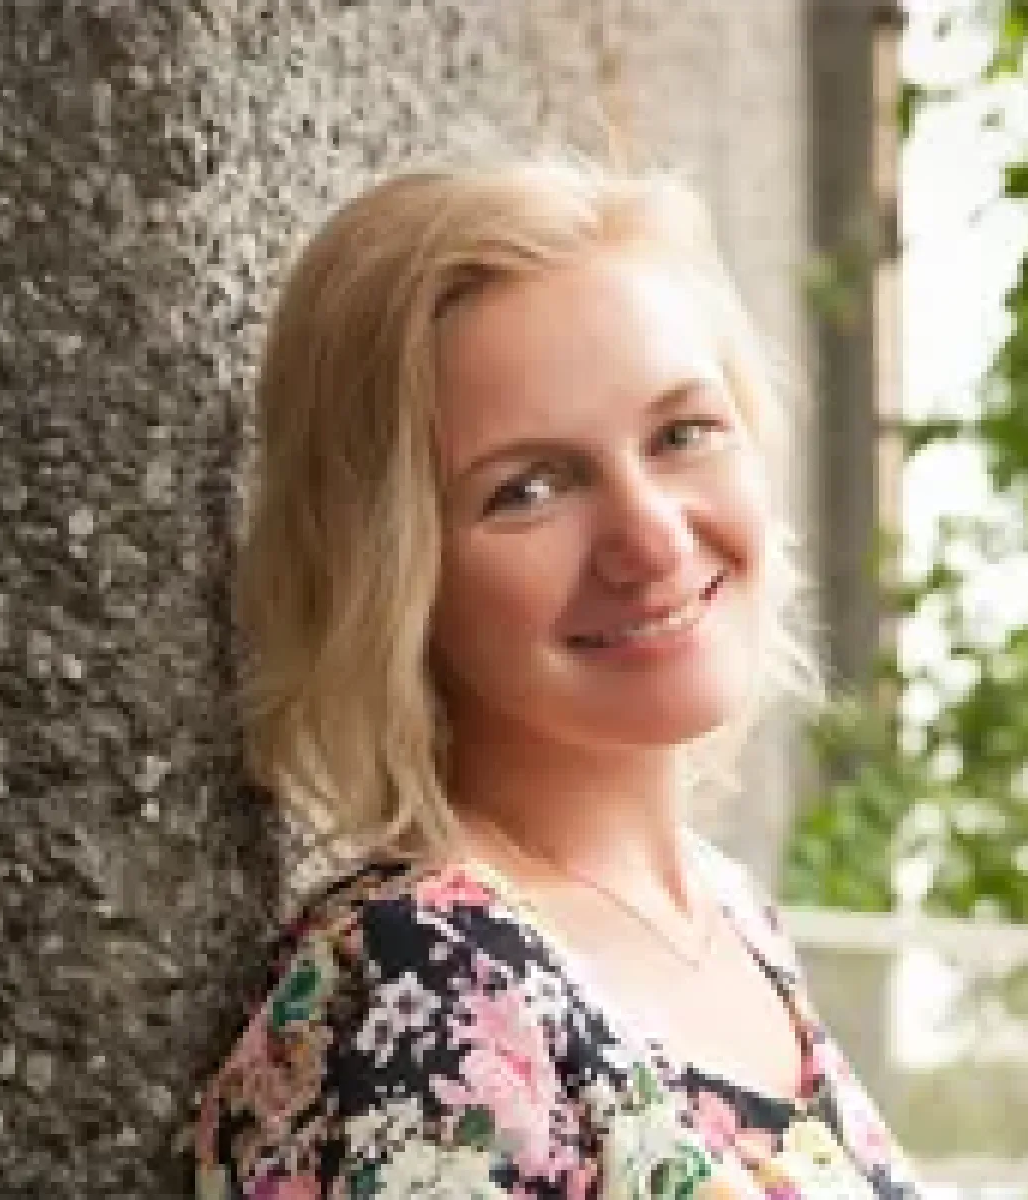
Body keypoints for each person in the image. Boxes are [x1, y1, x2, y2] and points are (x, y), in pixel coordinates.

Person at [194, 159, 921, 1199]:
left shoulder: (728, 912)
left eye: (681, 434)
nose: (652, 539)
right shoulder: (433, 988)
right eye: (529, 489)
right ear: (391, 572)